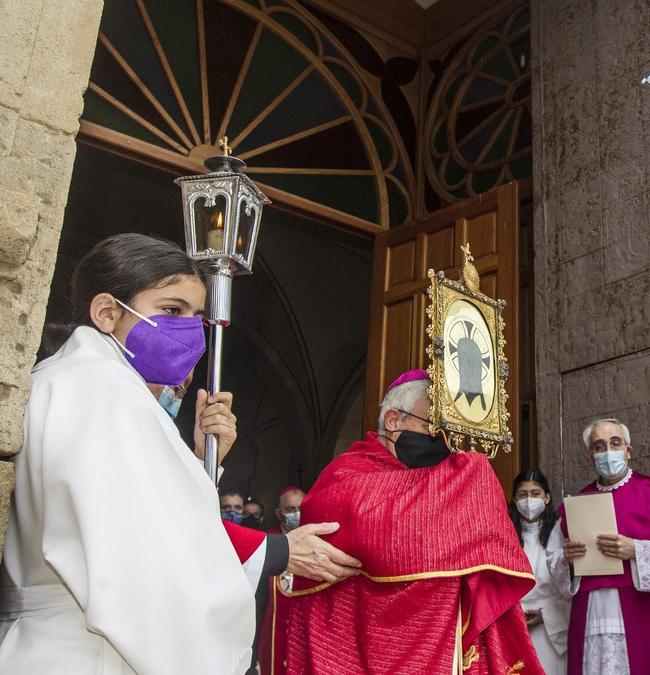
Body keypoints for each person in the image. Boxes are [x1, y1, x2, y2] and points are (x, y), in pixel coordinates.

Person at [0, 234, 361, 674]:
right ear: (107, 312)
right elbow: (147, 550)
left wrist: (197, 458)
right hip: (88, 650)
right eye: (172, 310)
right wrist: (276, 552)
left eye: (197, 316)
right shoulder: (101, 388)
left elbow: (129, 510)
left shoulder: (74, 380)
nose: (189, 328)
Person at [284, 370, 543, 674]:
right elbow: (389, 536)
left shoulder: (444, 479)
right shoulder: (346, 474)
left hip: (442, 646)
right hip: (353, 649)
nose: (445, 443)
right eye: (434, 427)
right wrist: (473, 473)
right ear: (394, 421)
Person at [557, 418, 650, 675]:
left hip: (648, 616)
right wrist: (568, 561)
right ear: (590, 456)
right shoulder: (574, 506)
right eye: (599, 446)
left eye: (615, 443)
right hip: (593, 616)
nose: (608, 452)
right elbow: (555, 565)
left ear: (628, 450)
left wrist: (636, 550)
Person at [510, 469, 571, 675]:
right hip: (514, 622)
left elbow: (570, 587)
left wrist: (545, 615)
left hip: (550, 624)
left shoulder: (561, 533)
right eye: (522, 494)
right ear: (514, 499)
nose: (529, 500)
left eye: (535, 494)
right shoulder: (506, 536)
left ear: (546, 497)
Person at [258, 486, 306, 675]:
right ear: (279, 513)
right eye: (290, 509)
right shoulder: (266, 541)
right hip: (272, 631)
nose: (297, 514)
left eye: (301, 508)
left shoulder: (321, 542)